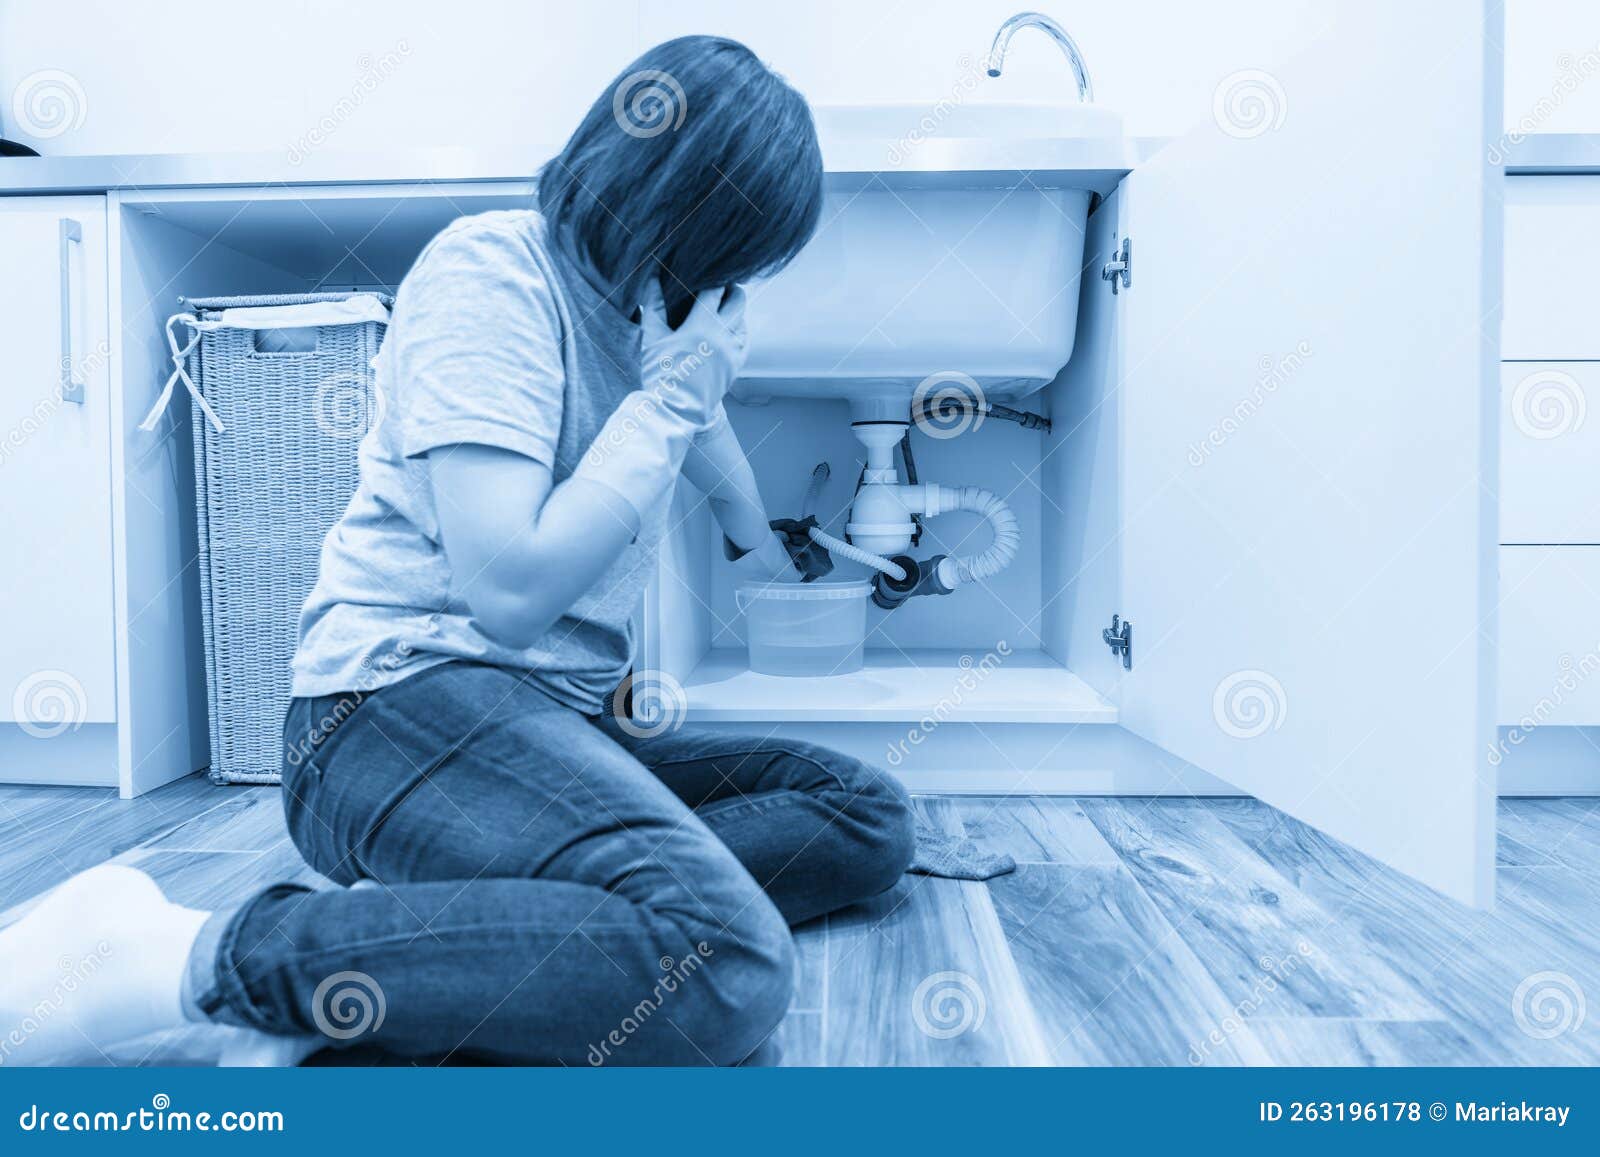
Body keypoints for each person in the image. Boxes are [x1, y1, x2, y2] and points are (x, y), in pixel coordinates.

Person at [0, 35, 914, 1067]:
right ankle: (179, 954)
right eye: (738, 264)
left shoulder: (643, 312)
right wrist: (666, 397)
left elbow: (699, 423)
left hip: (560, 715)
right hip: (387, 712)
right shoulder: (493, 276)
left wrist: (758, 542)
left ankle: (438, 940)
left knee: (867, 814)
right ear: (682, 226)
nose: (739, 293)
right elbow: (507, 593)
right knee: (721, 962)